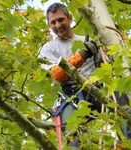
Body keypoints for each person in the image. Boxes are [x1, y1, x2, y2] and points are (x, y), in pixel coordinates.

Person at [38, 2, 102, 148]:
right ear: (49, 25)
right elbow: (56, 74)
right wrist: (83, 55)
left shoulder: (86, 41)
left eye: (61, 20)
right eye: (53, 22)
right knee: (74, 135)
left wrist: (100, 57)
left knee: (120, 102)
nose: (58, 25)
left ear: (70, 18)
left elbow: (105, 68)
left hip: (97, 89)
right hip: (71, 97)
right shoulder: (48, 49)